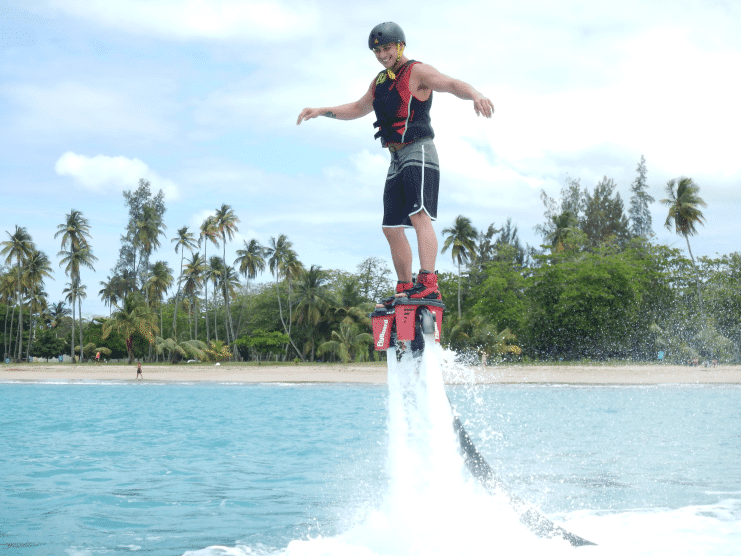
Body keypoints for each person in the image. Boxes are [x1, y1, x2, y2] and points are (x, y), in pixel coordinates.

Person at [297, 22, 494, 306]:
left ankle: (428, 283)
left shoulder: (417, 71)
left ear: (400, 46)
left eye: (386, 48)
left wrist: (475, 94)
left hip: (419, 151)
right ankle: (405, 286)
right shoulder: (379, 81)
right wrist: (321, 111)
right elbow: (358, 108)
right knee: (390, 227)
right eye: (376, 50)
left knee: (419, 214)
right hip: (396, 158)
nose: (381, 54)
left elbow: (450, 84)